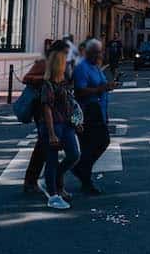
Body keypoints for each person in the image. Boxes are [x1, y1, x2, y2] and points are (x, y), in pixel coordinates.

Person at [21, 39, 65, 198]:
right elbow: (26, 78)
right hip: (41, 109)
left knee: (42, 147)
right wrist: (45, 78)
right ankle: (45, 183)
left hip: (55, 109)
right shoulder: (43, 63)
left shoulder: (62, 65)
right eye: (65, 53)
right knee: (44, 146)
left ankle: (33, 181)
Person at [39, 47, 81, 210]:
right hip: (54, 125)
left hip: (67, 123)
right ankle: (53, 195)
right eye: (65, 62)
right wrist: (51, 133)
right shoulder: (48, 84)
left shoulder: (64, 81)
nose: (67, 64)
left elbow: (70, 104)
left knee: (74, 154)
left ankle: (55, 178)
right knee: (51, 159)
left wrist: (76, 122)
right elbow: (47, 109)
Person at [72, 39, 114, 195]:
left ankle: (84, 176)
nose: (100, 54)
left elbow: (101, 87)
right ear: (90, 53)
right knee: (97, 142)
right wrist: (101, 88)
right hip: (88, 112)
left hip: (99, 110)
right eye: (98, 52)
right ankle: (83, 172)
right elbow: (80, 91)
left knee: (95, 144)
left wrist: (107, 88)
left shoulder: (95, 66)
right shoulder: (82, 68)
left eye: (100, 51)